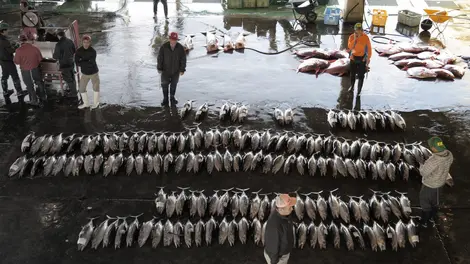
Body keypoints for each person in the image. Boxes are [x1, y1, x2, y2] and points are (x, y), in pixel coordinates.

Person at [418, 136, 453, 228]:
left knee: (425, 201)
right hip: (440, 184)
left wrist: (421, 164)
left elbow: (423, 173)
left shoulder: (433, 161)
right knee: (435, 202)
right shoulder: (449, 155)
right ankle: (431, 217)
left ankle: (424, 221)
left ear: (433, 148)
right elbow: (445, 168)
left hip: (429, 185)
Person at [14, 34, 47, 106]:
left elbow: (16, 62)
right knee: (39, 82)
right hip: (35, 68)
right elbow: (40, 59)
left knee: (29, 85)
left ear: (20, 42)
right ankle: (43, 96)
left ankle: (34, 100)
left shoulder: (18, 50)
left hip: (25, 70)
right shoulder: (35, 48)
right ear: (26, 40)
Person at [0, 23, 29, 101]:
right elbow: (11, 50)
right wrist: (17, 45)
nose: (8, 31)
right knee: (15, 76)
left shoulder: (3, 39)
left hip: (2, 60)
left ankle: (5, 91)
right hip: (8, 60)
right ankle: (19, 92)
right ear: (3, 31)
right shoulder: (4, 41)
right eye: (7, 30)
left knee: (4, 76)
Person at [264, 194, 295, 264]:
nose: (292, 209)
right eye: (289, 207)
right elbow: (273, 247)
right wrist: (274, 262)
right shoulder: (274, 226)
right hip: (279, 258)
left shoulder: (285, 214)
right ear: (281, 209)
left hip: (284, 251)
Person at [157, 32, 186, 106]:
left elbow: (183, 59)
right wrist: (159, 68)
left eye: (175, 40)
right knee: (164, 85)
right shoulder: (164, 47)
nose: (173, 41)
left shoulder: (180, 47)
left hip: (176, 71)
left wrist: (182, 69)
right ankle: (165, 99)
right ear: (169, 39)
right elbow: (160, 58)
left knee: (174, 85)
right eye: (172, 39)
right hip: (165, 71)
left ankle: (172, 98)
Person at [75, 35, 100, 109]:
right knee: (81, 89)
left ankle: (96, 104)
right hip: (84, 73)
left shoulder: (93, 51)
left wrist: (82, 60)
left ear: (90, 43)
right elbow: (76, 62)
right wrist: (86, 61)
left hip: (94, 73)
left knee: (96, 88)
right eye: (84, 42)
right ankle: (86, 104)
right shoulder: (79, 51)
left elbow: (91, 63)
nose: (86, 44)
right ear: (82, 42)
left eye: (87, 42)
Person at [347, 23, 372, 96]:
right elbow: (350, 47)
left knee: (361, 75)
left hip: (362, 58)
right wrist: (355, 39)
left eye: (360, 30)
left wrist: (368, 58)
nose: (359, 32)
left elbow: (369, 49)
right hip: (353, 57)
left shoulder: (366, 37)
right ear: (355, 30)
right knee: (352, 74)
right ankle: (352, 87)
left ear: (362, 30)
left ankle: (359, 90)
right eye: (357, 31)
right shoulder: (351, 37)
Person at [53, 29, 78, 101]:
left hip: (64, 64)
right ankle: (74, 91)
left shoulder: (58, 44)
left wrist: (54, 55)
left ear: (58, 35)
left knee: (68, 79)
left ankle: (73, 94)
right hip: (71, 62)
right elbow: (74, 51)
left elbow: (55, 56)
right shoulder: (70, 41)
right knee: (72, 77)